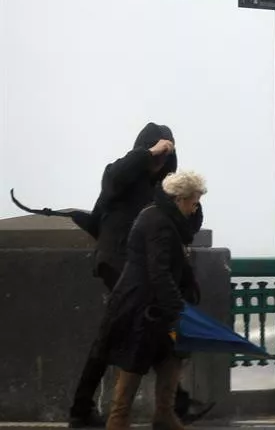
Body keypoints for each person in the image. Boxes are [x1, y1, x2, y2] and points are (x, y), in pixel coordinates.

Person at [68, 123, 213, 428]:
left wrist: (190, 199)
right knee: (123, 334)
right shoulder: (123, 177)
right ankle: (99, 410)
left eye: (168, 152)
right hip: (122, 263)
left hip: (144, 268)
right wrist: (147, 154)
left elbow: (188, 227)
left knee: (139, 334)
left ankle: (168, 408)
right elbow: (114, 177)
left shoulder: (162, 193)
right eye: (158, 149)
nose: (162, 159)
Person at [101, 170, 208, 430]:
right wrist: (179, 309)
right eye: (193, 202)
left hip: (152, 305)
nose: (194, 209)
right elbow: (158, 271)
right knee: (134, 364)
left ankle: (164, 415)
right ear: (180, 199)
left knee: (170, 357)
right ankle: (119, 421)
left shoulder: (160, 216)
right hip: (144, 307)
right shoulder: (159, 222)